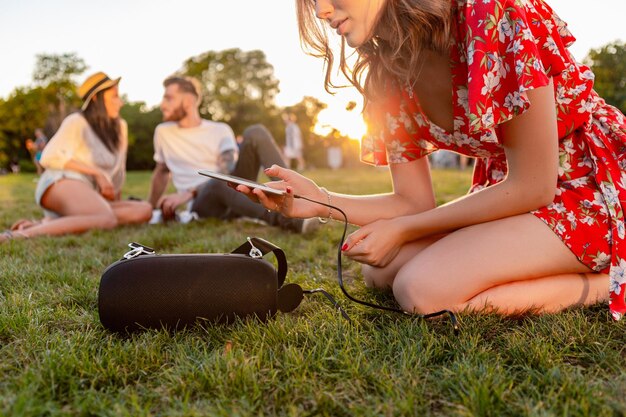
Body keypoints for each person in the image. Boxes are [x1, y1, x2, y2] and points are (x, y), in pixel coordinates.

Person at [238, 0, 626, 320]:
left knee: (421, 290)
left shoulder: (491, 15)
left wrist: (405, 230)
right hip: (514, 192)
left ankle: (603, 283)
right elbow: (412, 201)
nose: (322, 11)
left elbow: (533, 185)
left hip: (592, 186)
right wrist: (320, 200)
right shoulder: (387, 70)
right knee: (380, 270)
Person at [148, 76, 320, 233]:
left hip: (229, 190)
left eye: (168, 98)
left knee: (255, 132)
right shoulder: (163, 132)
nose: (163, 104)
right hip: (205, 205)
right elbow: (161, 171)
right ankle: (288, 220)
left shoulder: (220, 130)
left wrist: (189, 192)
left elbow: (228, 173)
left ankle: (299, 200)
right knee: (216, 183)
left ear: (188, 100)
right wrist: (150, 208)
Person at [1, 72, 152, 242]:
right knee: (106, 218)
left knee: (144, 210)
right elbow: (48, 157)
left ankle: (46, 223)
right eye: (115, 96)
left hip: (90, 193)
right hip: (60, 181)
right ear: (96, 98)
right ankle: (15, 236)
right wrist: (97, 173)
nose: (121, 102)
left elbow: (118, 170)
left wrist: (113, 194)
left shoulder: (121, 127)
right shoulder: (77, 121)